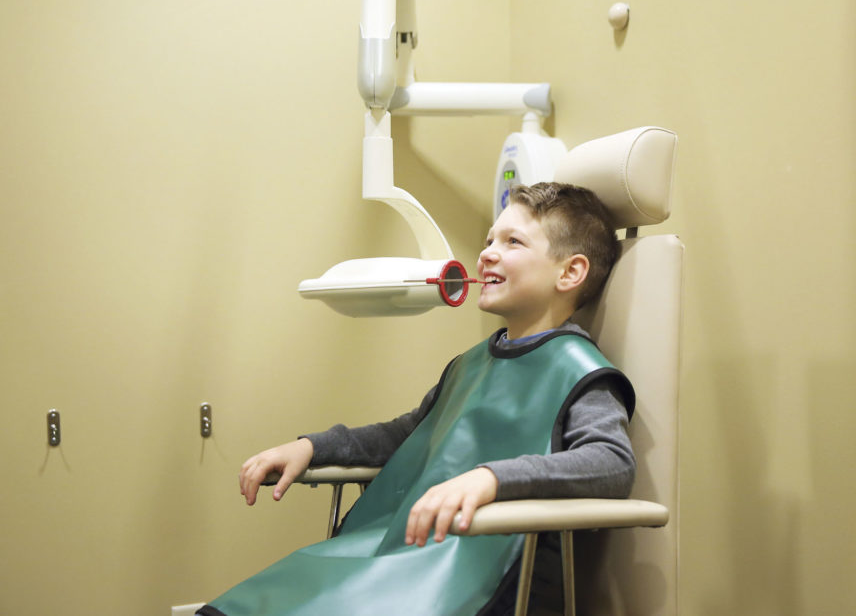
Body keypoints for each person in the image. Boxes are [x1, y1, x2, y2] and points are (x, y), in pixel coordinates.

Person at [199, 182, 636, 616]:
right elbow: (409, 435)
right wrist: (312, 447)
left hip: (494, 579)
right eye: (488, 240)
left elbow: (611, 463)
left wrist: (490, 479)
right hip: (410, 555)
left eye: (512, 241)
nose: (486, 253)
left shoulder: (580, 372)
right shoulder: (470, 365)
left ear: (570, 273)